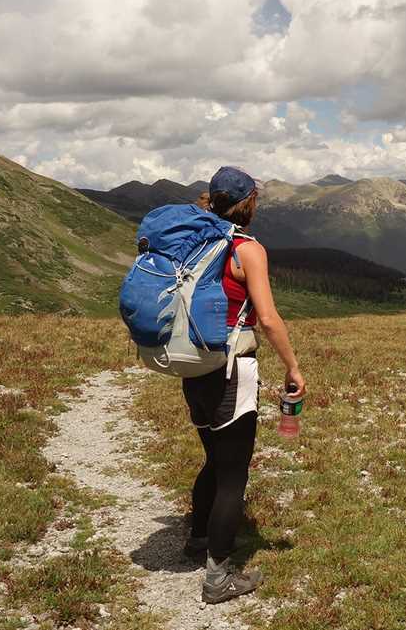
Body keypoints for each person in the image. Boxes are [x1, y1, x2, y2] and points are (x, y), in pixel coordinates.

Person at [181, 165, 307, 604]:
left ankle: (199, 539)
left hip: (193, 367)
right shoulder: (246, 249)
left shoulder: (193, 241)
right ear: (248, 203)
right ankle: (218, 580)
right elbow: (267, 318)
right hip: (233, 367)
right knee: (234, 473)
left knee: (214, 458)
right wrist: (293, 367)